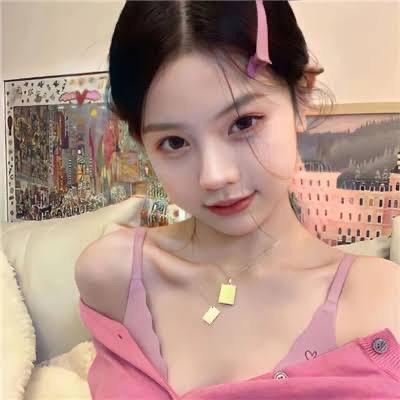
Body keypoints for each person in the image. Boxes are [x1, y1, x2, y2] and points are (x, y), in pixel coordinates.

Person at [75, 1, 400, 399]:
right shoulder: (112, 276)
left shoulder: (381, 304)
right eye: (174, 142)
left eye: (243, 123)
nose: (214, 176)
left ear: (302, 96)